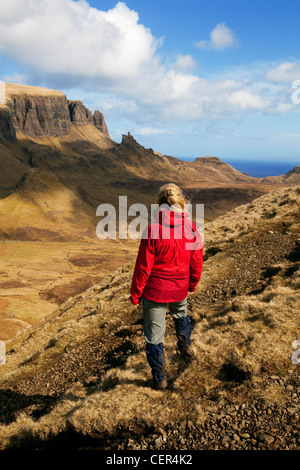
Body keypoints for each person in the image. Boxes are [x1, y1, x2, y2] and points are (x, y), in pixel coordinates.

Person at [130, 183, 203, 390]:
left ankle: (160, 379)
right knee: (181, 314)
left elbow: (143, 267)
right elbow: (197, 260)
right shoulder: (191, 228)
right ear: (181, 204)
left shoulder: (152, 230)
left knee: (154, 336)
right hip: (180, 287)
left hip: (155, 291)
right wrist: (192, 283)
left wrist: (136, 295)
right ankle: (185, 349)